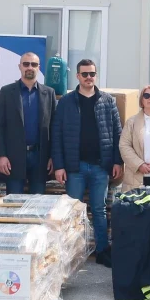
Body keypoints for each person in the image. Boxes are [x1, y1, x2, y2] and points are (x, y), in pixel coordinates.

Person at [52, 59, 122, 267]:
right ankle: (72, 252)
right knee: (73, 211)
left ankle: (102, 251)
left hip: (101, 166)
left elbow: (117, 133)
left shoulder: (107, 101)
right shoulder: (66, 102)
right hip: (75, 167)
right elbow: (56, 135)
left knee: (99, 210)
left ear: (96, 75)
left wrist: (117, 161)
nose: (89, 77)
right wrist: (59, 165)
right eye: (85, 74)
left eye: (92, 74)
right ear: (77, 76)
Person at [0, 52, 56, 195]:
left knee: (37, 203)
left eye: (34, 64)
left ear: (39, 67)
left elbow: (54, 128)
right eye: (26, 64)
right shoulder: (6, 92)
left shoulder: (49, 93)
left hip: (40, 157)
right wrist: (1, 156)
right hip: (13, 157)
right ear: (20, 66)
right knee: (13, 202)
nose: (30, 67)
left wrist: (53, 156)